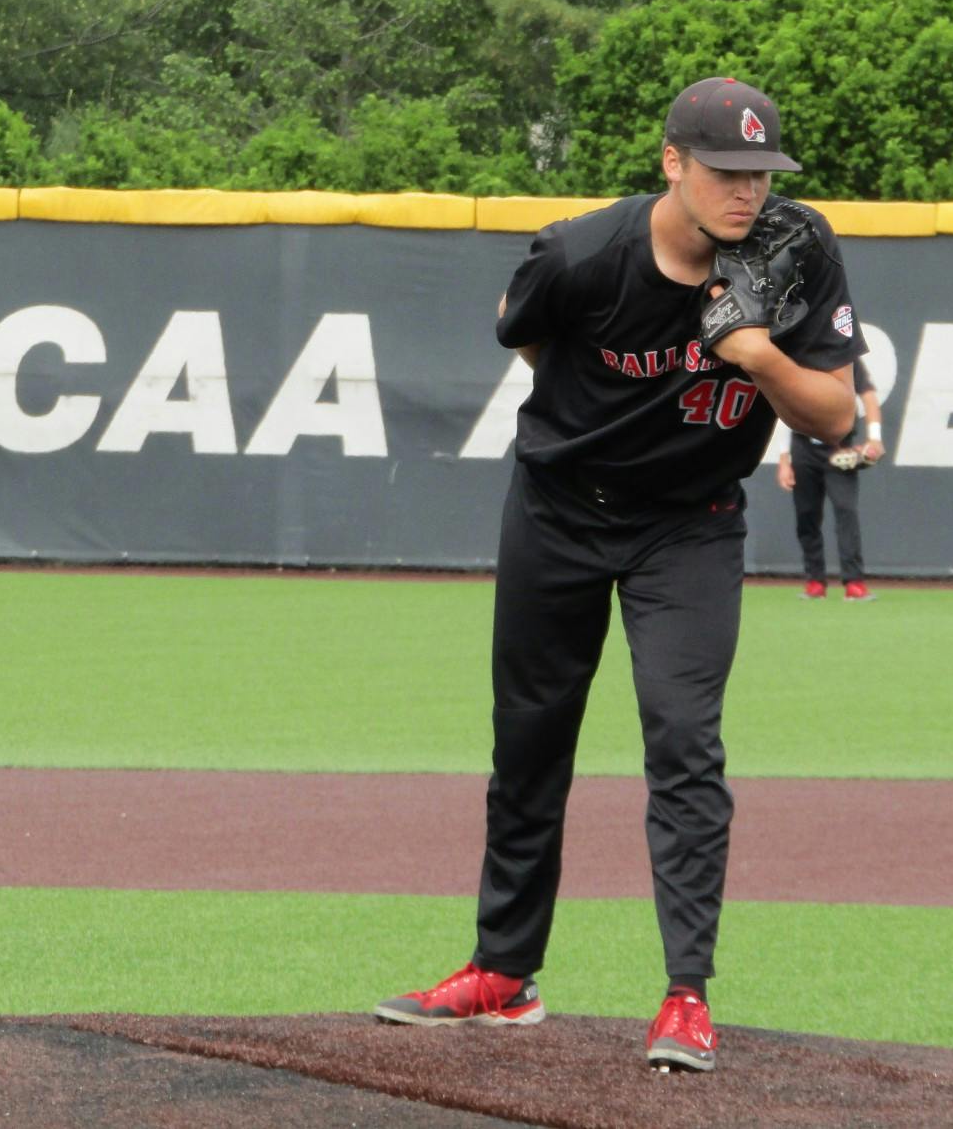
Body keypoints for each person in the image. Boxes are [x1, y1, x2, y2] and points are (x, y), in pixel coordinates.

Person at [376, 78, 865, 1072]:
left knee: (684, 743)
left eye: (760, 173)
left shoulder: (792, 251)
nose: (744, 192)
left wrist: (753, 354)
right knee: (529, 740)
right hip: (557, 512)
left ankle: (686, 996)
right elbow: (524, 337)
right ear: (671, 162)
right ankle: (501, 975)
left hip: (688, 529)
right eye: (723, 171)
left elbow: (836, 417)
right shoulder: (580, 253)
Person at [777, 360, 885, 600]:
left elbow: (868, 396)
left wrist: (875, 439)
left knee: (846, 511)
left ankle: (854, 583)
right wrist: (784, 459)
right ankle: (815, 581)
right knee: (807, 515)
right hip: (804, 449)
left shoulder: (846, 358)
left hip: (840, 449)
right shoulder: (797, 357)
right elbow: (785, 408)